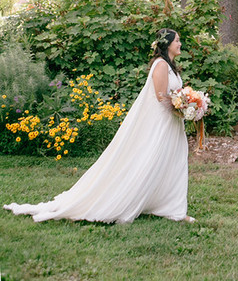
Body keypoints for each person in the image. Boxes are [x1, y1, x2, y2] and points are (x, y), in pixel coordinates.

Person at [4, 29, 195, 224]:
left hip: (171, 123)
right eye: (177, 40)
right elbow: (161, 96)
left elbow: (173, 94)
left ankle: (167, 205)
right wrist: (182, 108)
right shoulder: (161, 65)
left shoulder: (170, 66)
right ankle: (167, 208)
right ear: (167, 44)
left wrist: (189, 104)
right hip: (161, 124)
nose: (180, 43)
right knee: (152, 160)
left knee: (171, 161)